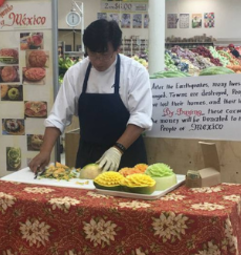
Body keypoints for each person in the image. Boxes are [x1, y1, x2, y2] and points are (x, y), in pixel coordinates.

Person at [29, 20, 152, 173]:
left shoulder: (135, 72)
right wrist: (45, 151)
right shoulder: (76, 73)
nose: (98, 61)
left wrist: (117, 149)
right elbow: (58, 117)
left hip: (127, 154)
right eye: (93, 54)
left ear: (117, 49)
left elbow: (140, 117)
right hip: (88, 155)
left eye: (104, 54)